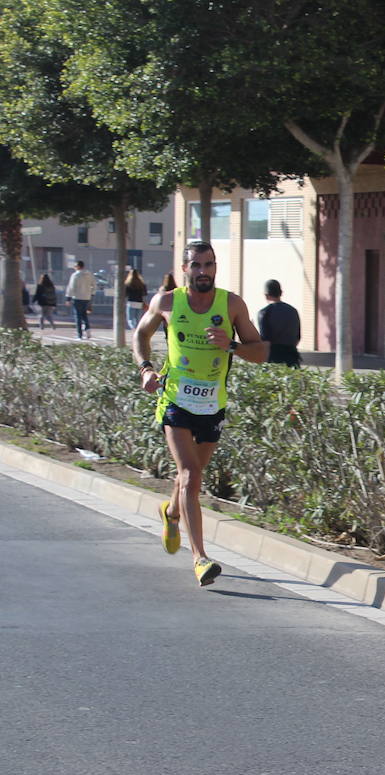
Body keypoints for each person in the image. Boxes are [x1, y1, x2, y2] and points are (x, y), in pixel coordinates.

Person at [133, 241, 268, 587]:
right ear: (184, 269)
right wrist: (146, 369)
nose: (203, 271)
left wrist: (232, 345)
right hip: (176, 401)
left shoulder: (232, 304)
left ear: (215, 267)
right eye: (196, 265)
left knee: (189, 477)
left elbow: (261, 353)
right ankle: (200, 559)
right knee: (191, 474)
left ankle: (172, 512)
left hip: (212, 405)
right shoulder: (167, 302)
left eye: (209, 264)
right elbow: (140, 334)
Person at [256, 279, 302, 367]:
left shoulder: (264, 312)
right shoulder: (293, 311)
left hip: (273, 359)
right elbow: (298, 337)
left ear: (266, 295)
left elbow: (264, 340)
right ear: (281, 293)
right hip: (292, 358)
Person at [66, 260, 95, 339]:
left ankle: (80, 334)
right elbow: (94, 285)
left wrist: (68, 298)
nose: (75, 268)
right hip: (87, 297)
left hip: (77, 297)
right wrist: (91, 294)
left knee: (78, 316)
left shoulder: (75, 275)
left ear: (78, 266)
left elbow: (71, 287)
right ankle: (87, 329)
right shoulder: (89, 274)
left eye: (75, 266)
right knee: (84, 315)